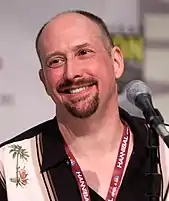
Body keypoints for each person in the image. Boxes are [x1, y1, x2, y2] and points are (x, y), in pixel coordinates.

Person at [0, 10, 167, 201]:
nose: (71, 73)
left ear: (116, 62)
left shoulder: (165, 150)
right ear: (44, 80)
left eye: (83, 53)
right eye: (56, 61)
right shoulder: (8, 168)